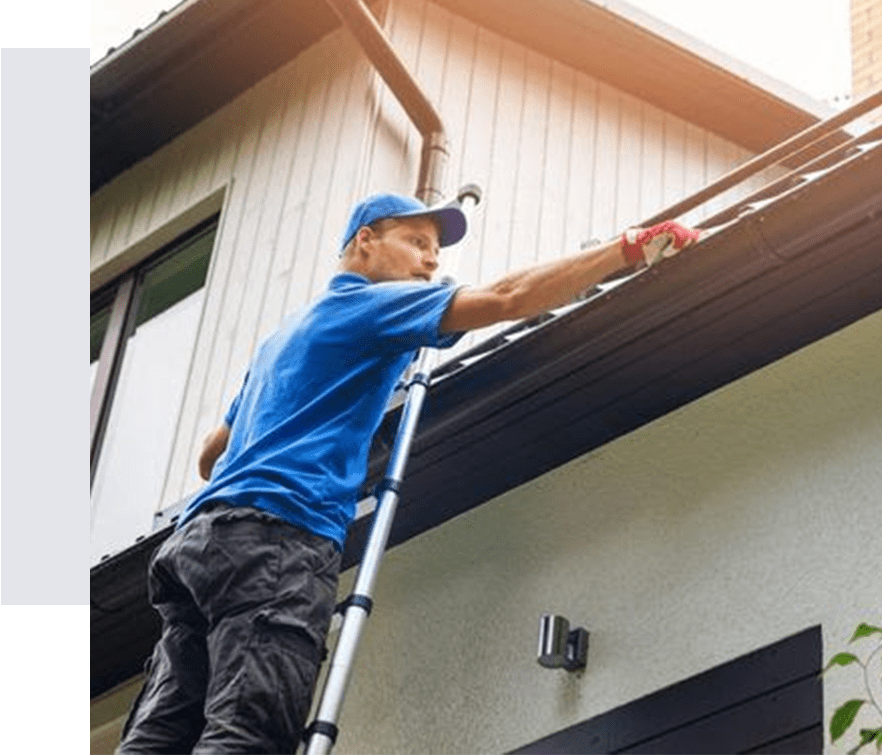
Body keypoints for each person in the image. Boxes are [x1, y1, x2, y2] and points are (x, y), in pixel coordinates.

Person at [116, 192, 699, 754]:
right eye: (416, 241)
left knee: (159, 736)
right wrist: (627, 248)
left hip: (198, 543)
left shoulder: (283, 339)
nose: (430, 260)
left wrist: (323, 432)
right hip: (276, 541)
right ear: (364, 243)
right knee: (248, 731)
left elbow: (210, 454)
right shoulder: (370, 306)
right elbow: (506, 295)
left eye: (437, 252)